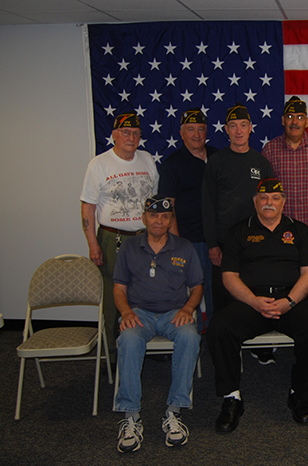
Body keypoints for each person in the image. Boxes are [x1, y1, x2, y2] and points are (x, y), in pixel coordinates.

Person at [206, 179, 308, 433]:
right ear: (255, 202)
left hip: (291, 300)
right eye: (263, 198)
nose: (269, 203)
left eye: (275, 198)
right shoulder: (239, 231)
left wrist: (289, 302)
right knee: (219, 327)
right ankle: (231, 397)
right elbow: (229, 276)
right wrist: (253, 300)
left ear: (284, 201)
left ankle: (300, 395)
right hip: (251, 300)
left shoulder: (300, 231)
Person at [113, 196, 203, 452]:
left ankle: (174, 411)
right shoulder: (129, 247)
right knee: (128, 339)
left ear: (171, 220)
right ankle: (131, 416)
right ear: (144, 218)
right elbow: (119, 288)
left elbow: (197, 287)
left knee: (190, 337)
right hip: (139, 313)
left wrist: (188, 308)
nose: (159, 221)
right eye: (153, 215)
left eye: (165, 217)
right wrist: (126, 311)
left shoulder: (184, 247)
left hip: (174, 313)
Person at [80, 112, 159, 357]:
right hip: (113, 238)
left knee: (148, 288)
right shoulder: (99, 164)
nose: (131, 137)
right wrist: (93, 244)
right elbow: (88, 208)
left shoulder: (147, 159)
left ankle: (142, 340)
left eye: (136, 133)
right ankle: (114, 351)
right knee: (116, 293)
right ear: (114, 134)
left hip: (145, 238)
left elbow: (154, 202)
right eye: (125, 132)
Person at [201, 102, 273, 314]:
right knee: (223, 298)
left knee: (253, 296)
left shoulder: (261, 163)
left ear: (251, 127)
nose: (238, 131)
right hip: (224, 245)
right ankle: (221, 346)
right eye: (233, 126)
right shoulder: (216, 162)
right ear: (226, 130)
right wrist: (212, 244)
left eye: (243, 125)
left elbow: (271, 205)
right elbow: (207, 204)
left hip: (255, 243)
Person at [159, 108, 218, 333]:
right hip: (189, 241)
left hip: (217, 240)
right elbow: (168, 207)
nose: (196, 134)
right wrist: (176, 244)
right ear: (181, 133)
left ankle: (214, 337)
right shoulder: (172, 163)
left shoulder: (216, 156)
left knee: (216, 292)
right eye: (190, 130)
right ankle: (190, 338)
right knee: (191, 293)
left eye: (200, 129)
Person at [262, 96, 308, 239]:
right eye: (290, 117)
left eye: (300, 117)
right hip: (279, 228)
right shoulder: (269, 150)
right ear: (283, 120)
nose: (294, 122)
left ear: (307, 122)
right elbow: (263, 190)